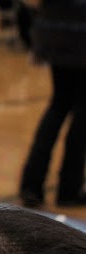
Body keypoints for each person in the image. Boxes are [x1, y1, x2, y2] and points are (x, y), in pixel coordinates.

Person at [18, 0, 86, 208]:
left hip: (54, 29)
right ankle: (68, 188)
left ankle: (31, 185)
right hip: (79, 32)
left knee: (59, 104)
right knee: (81, 111)